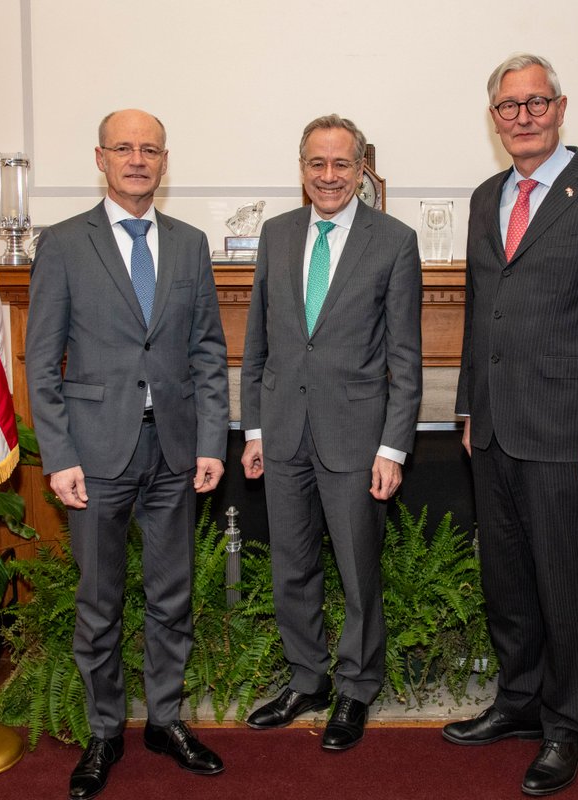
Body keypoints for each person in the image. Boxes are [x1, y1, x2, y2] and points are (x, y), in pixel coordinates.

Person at [445, 54, 578, 796]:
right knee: (506, 582)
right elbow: (482, 314)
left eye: (536, 103)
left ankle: (566, 726)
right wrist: (469, 409)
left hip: (572, 435)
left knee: (564, 586)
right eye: (508, 106)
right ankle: (518, 702)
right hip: (495, 430)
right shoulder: (484, 197)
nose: (522, 116)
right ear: (494, 117)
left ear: (561, 108)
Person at [26, 108, 230, 799]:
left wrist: (211, 441)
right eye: (124, 148)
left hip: (174, 450)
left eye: (149, 149)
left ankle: (164, 719)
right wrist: (58, 456)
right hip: (93, 453)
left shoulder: (189, 243)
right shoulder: (62, 244)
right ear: (101, 158)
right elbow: (40, 363)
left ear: (164, 161)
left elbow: (206, 350)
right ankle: (105, 730)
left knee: (171, 596)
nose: (137, 159)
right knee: (99, 601)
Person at [240, 114, 422, 751]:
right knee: (291, 566)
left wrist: (393, 447)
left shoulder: (394, 241)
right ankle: (306, 678)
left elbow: (406, 356)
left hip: (357, 439)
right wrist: (253, 429)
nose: (328, 176)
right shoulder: (276, 234)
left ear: (360, 169)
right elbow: (257, 342)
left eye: (341, 164)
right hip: (283, 433)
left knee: (356, 570)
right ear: (302, 167)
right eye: (316, 164)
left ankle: (356, 687)